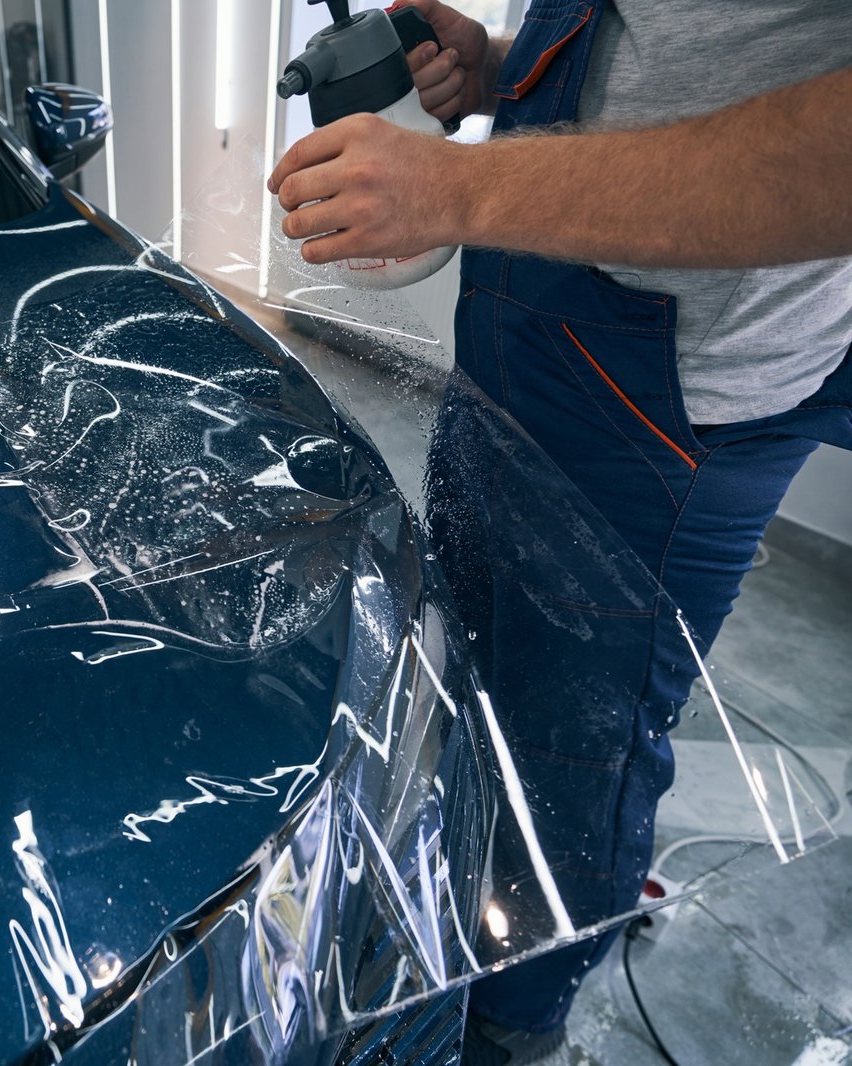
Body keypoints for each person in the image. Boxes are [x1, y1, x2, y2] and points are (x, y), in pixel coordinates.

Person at [266, 1, 851, 1063]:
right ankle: (458, 931)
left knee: (569, 763)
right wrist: (502, 71)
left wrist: (454, 186)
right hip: (536, 301)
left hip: (669, 377)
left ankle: (507, 1030)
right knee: (471, 683)